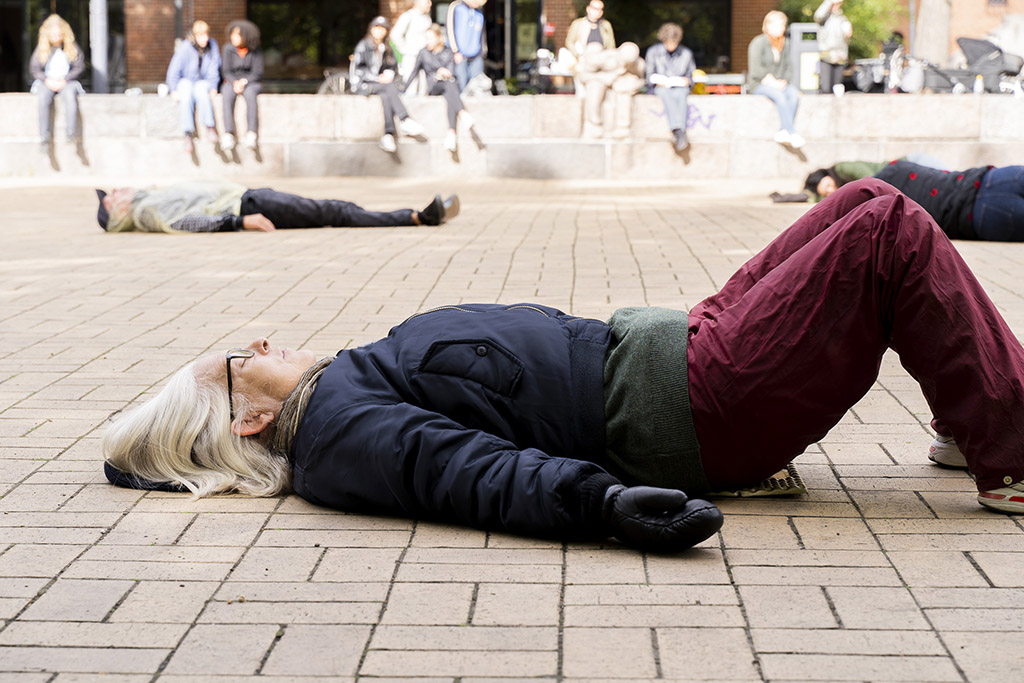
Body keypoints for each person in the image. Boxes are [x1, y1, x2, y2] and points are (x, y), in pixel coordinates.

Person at [102, 178, 1024, 553]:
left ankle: (966, 411)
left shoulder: (343, 389)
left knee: (862, 199)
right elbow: (466, 474)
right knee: (888, 232)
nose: (259, 341)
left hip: (676, 344)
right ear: (247, 422)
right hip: (701, 401)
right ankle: (1010, 449)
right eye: (238, 359)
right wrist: (606, 505)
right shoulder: (338, 429)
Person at [93, 181, 460, 233]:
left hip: (249, 195)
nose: (117, 189)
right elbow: (186, 222)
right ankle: (417, 217)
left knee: (334, 208)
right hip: (249, 203)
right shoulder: (145, 212)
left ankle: (413, 215)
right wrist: (240, 222)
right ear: (115, 209)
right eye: (111, 195)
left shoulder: (144, 199)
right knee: (334, 211)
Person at [808, 161, 1024, 242]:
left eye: (827, 186)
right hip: (987, 181)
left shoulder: (845, 170)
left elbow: (866, 184)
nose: (831, 191)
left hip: (981, 214)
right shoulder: (895, 171)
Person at [351, 16, 426, 153]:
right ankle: (404, 119)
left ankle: (388, 134)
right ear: (371, 29)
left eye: (383, 29)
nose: (379, 31)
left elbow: (391, 68)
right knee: (388, 87)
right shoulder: (363, 45)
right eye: (377, 28)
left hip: (380, 86)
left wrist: (388, 75)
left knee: (386, 96)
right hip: (362, 85)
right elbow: (359, 71)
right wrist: (378, 78)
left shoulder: (386, 48)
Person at [403, 24, 476, 152]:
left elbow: (452, 71)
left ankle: (451, 134)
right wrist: (403, 90)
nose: (428, 41)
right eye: (426, 38)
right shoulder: (423, 53)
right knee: (450, 86)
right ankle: (462, 114)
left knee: (449, 93)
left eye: (430, 38)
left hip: (447, 84)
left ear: (438, 38)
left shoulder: (447, 52)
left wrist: (445, 72)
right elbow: (414, 73)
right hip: (433, 86)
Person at [748, 11, 804, 149]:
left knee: (794, 95)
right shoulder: (758, 43)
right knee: (780, 96)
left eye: (783, 25)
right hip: (760, 83)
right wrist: (772, 82)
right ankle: (791, 132)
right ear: (767, 26)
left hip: (781, 83)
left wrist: (784, 81)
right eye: (778, 25)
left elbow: (789, 67)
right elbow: (756, 68)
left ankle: (783, 131)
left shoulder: (786, 44)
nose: (782, 29)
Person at [29, 14, 84, 153]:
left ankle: (71, 133)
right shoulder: (41, 49)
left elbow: (79, 67)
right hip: (47, 81)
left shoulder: (71, 47)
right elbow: (34, 69)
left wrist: (65, 80)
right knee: (43, 99)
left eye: (58, 34)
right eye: (53, 34)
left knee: (71, 98)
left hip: (67, 81)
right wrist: (47, 80)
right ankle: (44, 138)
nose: (56, 37)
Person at [166, 20, 221, 154]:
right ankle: (187, 133)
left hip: (203, 81)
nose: (205, 38)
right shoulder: (185, 47)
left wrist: (213, 86)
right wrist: (173, 89)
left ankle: (209, 126)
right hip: (186, 80)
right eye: (201, 35)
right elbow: (174, 70)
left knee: (202, 91)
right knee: (185, 93)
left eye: (206, 35)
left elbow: (214, 68)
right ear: (195, 36)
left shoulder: (213, 46)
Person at [645, 22, 695, 152]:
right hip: (660, 87)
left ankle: (678, 130)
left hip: (679, 86)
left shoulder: (686, 53)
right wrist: (658, 80)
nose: (671, 45)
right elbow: (649, 76)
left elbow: (690, 76)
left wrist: (686, 81)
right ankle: (679, 131)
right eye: (668, 42)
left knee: (681, 94)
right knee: (665, 93)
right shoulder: (653, 52)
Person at [219, 19, 263, 151]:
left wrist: (244, 82)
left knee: (250, 94)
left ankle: (251, 133)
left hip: (251, 82)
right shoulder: (227, 49)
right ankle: (228, 133)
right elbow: (226, 71)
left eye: (237, 34)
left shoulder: (255, 50)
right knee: (226, 94)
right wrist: (235, 82)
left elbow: (258, 72)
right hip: (232, 81)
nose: (234, 37)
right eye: (232, 34)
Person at [566, 0, 615, 96]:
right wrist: (578, 55)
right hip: (583, 63)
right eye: (595, 8)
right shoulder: (578, 24)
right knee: (582, 93)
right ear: (588, 9)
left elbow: (611, 45)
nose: (598, 11)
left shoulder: (606, 25)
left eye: (600, 9)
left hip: (601, 65)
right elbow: (569, 42)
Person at [392, 0, 434, 95]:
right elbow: (395, 35)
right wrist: (405, 50)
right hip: (411, 57)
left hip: (425, 57)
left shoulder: (427, 18)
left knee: (424, 87)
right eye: (427, 1)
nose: (430, 4)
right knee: (411, 87)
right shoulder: (408, 16)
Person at [445, 0, 486, 93]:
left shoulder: (479, 13)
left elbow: (482, 34)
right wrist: (455, 51)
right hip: (460, 55)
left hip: (476, 56)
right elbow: (450, 30)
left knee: (476, 87)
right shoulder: (456, 7)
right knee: (461, 84)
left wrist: (482, 52)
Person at [814, 0, 852, 95]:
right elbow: (818, 15)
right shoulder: (824, 18)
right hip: (827, 55)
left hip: (840, 56)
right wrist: (829, 2)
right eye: (834, 4)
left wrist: (848, 34)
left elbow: (846, 39)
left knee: (837, 87)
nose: (836, 6)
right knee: (826, 87)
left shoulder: (843, 19)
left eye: (838, 4)